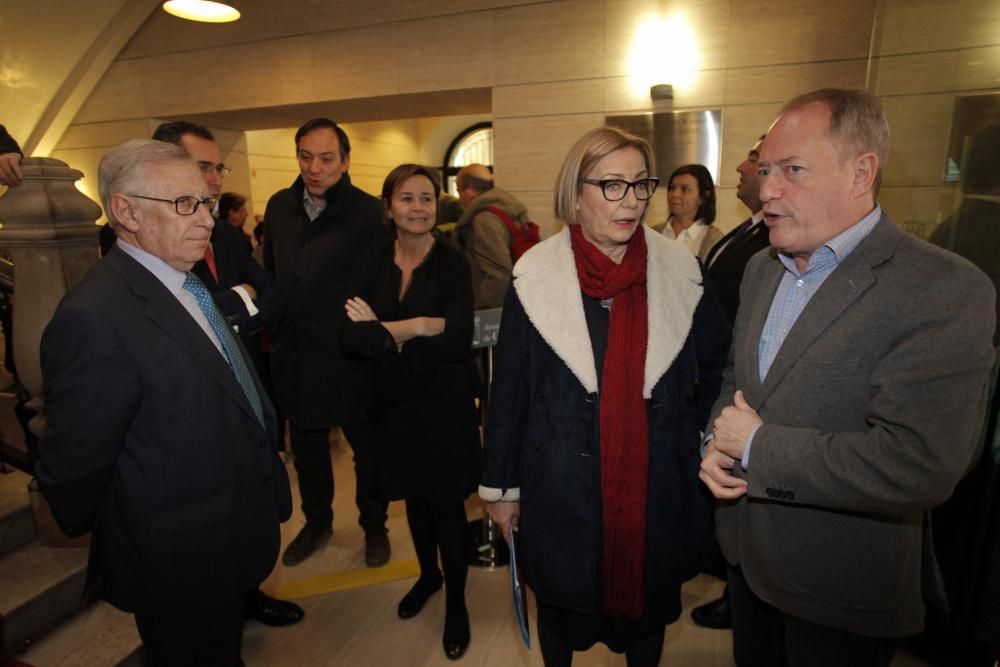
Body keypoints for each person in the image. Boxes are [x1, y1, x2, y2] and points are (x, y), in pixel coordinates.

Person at [699, 88, 997, 667]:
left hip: (839, 583)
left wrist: (756, 445)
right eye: (765, 170)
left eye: (792, 170)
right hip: (747, 563)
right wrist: (714, 442)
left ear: (861, 172)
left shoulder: (942, 288)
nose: (768, 190)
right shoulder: (762, 269)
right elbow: (737, 382)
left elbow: (919, 463)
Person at [481, 127, 731, 666]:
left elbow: (718, 367)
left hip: (656, 489)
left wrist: (704, 439)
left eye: (642, 185)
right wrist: (502, 490)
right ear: (576, 193)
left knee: (647, 628)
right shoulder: (534, 276)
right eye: (613, 185)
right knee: (561, 622)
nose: (633, 201)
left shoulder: (681, 271)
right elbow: (511, 392)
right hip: (561, 493)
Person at [37, 139, 292, 666]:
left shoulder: (184, 281)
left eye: (207, 203)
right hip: (178, 555)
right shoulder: (96, 315)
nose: (205, 220)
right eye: (184, 204)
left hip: (225, 532)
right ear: (125, 211)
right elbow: (78, 461)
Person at [150, 121, 300, 627]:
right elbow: (174, 318)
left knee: (250, 507)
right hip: (194, 413)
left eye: (218, 168)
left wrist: (230, 305)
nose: (214, 180)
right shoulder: (143, 239)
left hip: (246, 391)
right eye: (203, 168)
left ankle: (249, 593)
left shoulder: (227, 235)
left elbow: (272, 295)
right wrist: (238, 302)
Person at [341, 164, 481, 661]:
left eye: (426, 198)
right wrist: (421, 325)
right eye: (407, 198)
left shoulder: (454, 263)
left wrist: (388, 330)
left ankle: (458, 603)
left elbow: (458, 338)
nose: (418, 207)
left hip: (443, 407)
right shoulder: (371, 260)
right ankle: (428, 577)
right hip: (392, 406)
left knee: (445, 505)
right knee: (413, 501)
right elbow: (350, 335)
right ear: (389, 208)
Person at [262, 117, 390, 567]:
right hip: (296, 354)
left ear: (346, 160)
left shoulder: (370, 212)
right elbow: (270, 275)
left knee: (367, 452)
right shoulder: (279, 207)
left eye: (326, 158)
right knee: (309, 451)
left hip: (350, 353)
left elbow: (383, 283)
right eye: (305, 156)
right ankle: (317, 524)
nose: (314, 168)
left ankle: (375, 526)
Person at [690, 135, 770, 631]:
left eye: (754, 159)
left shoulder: (773, 245)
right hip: (719, 382)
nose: (742, 166)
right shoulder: (751, 233)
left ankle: (739, 593)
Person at [454, 163, 532, 309]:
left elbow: (499, 275)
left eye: (459, 191)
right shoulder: (509, 208)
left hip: (497, 308)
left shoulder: (484, 219)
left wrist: (480, 310)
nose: (459, 199)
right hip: (520, 299)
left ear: (469, 191)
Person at [659, 163, 722, 262]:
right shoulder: (653, 233)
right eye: (672, 187)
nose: (675, 194)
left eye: (685, 189)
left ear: (703, 196)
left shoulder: (715, 240)